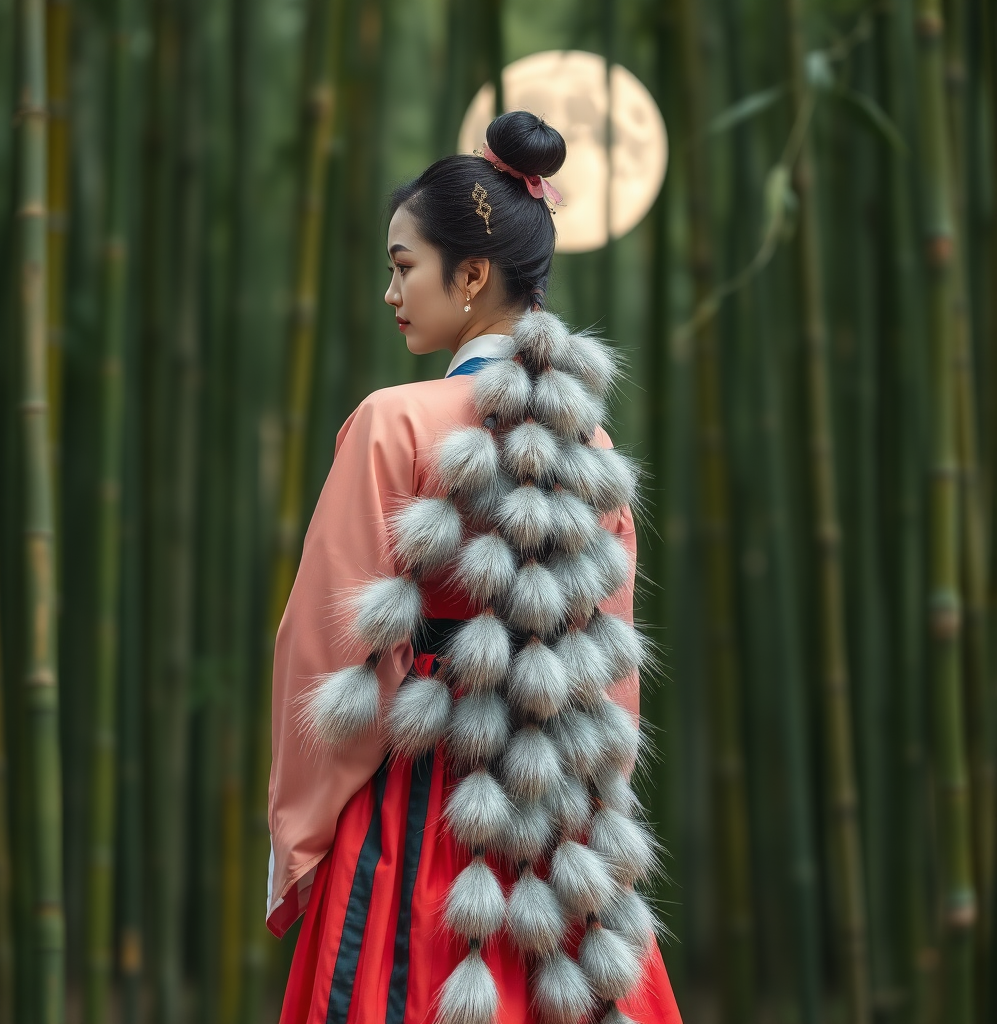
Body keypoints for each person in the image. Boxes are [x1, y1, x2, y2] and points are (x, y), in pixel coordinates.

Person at [267, 110, 683, 1024]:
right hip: (554, 825)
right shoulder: (594, 447)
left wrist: (300, 835)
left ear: (471, 275)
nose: (391, 291)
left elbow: (329, 649)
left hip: (415, 820)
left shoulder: (393, 421)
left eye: (403, 264)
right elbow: (611, 684)